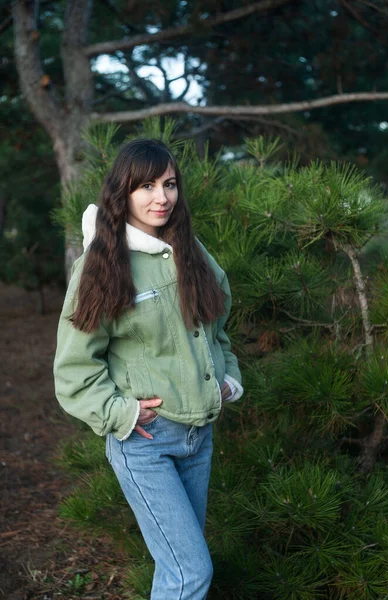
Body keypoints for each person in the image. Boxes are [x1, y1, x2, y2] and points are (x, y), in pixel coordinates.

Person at [53, 138, 243, 600]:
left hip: (199, 438)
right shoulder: (102, 263)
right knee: (189, 572)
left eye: (170, 184)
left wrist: (228, 379)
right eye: (147, 186)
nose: (162, 197)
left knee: (178, 567)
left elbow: (217, 328)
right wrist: (122, 414)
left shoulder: (190, 252)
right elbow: (74, 368)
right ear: (123, 192)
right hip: (146, 445)